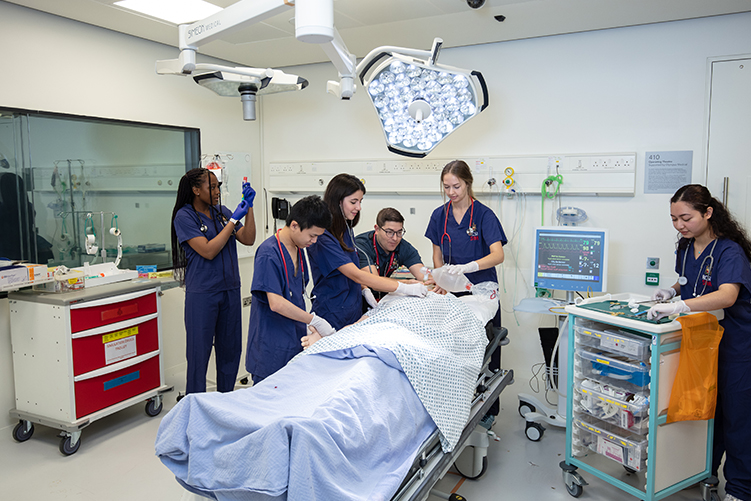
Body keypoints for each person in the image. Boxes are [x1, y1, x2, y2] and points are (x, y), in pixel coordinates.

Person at [647, 184, 751, 501]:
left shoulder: (728, 250)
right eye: (674, 219)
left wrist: (681, 307)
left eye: (686, 218)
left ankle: (740, 488)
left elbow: (727, 294)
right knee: (705, 413)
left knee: (736, 419)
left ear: (708, 213)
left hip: (736, 345)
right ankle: (701, 472)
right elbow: (689, 280)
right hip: (700, 341)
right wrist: (672, 291)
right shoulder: (686, 245)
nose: (680, 225)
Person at [425, 159, 507, 424]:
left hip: (481, 293)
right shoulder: (440, 215)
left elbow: (498, 255)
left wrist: (471, 265)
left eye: (456, 186)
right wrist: (441, 278)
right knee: (453, 350)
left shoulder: (484, 216)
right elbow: (437, 254)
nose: (451, 192)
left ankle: (488, 412)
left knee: (486, 352)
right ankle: (452, 409)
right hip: (453, 293)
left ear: (468, 183)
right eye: (446, 187)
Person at [304, 174, 427, 343]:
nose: (359, 207)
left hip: (352, 309)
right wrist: (404, 287)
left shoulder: (346, 230)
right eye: (354, 202)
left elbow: (354, 276)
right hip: (332, 312)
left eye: (360, 201)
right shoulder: (324, 238)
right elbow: (356, 274)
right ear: (337, 200)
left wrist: (363, 289)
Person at [171, 168, 256, 396]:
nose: (217, 191)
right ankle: (196, 409)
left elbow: (248, 239)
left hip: (229, 289)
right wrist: (233, 220)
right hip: (203, 293)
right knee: (199, 354)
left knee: (230, 351)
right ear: (196, 190)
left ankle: (225, 404)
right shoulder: (185, 216)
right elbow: (208, 251)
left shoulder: (222, 212)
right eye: (212, 187)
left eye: (218, 186)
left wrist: (248, 209)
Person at [245, 195, 334, 385]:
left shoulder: (299, 249)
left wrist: (311, 327)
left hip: (292, 342)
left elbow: (297, 295)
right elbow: (276, 303)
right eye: (312, 235)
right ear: (294, 225)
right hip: (270, 347)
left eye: (318, 236)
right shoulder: (269, 253)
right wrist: (315, 320)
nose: (315, 241)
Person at [355, 207, 427, 307]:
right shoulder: (362, 245)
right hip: (359, 300)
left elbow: (424, 276)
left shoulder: (403, 246)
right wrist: (406, 284)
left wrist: (438, 278)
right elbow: (374, 282)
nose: (395, 238)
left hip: (383, 300)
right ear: (377, 229)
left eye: (399, 232)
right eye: (389, 232)